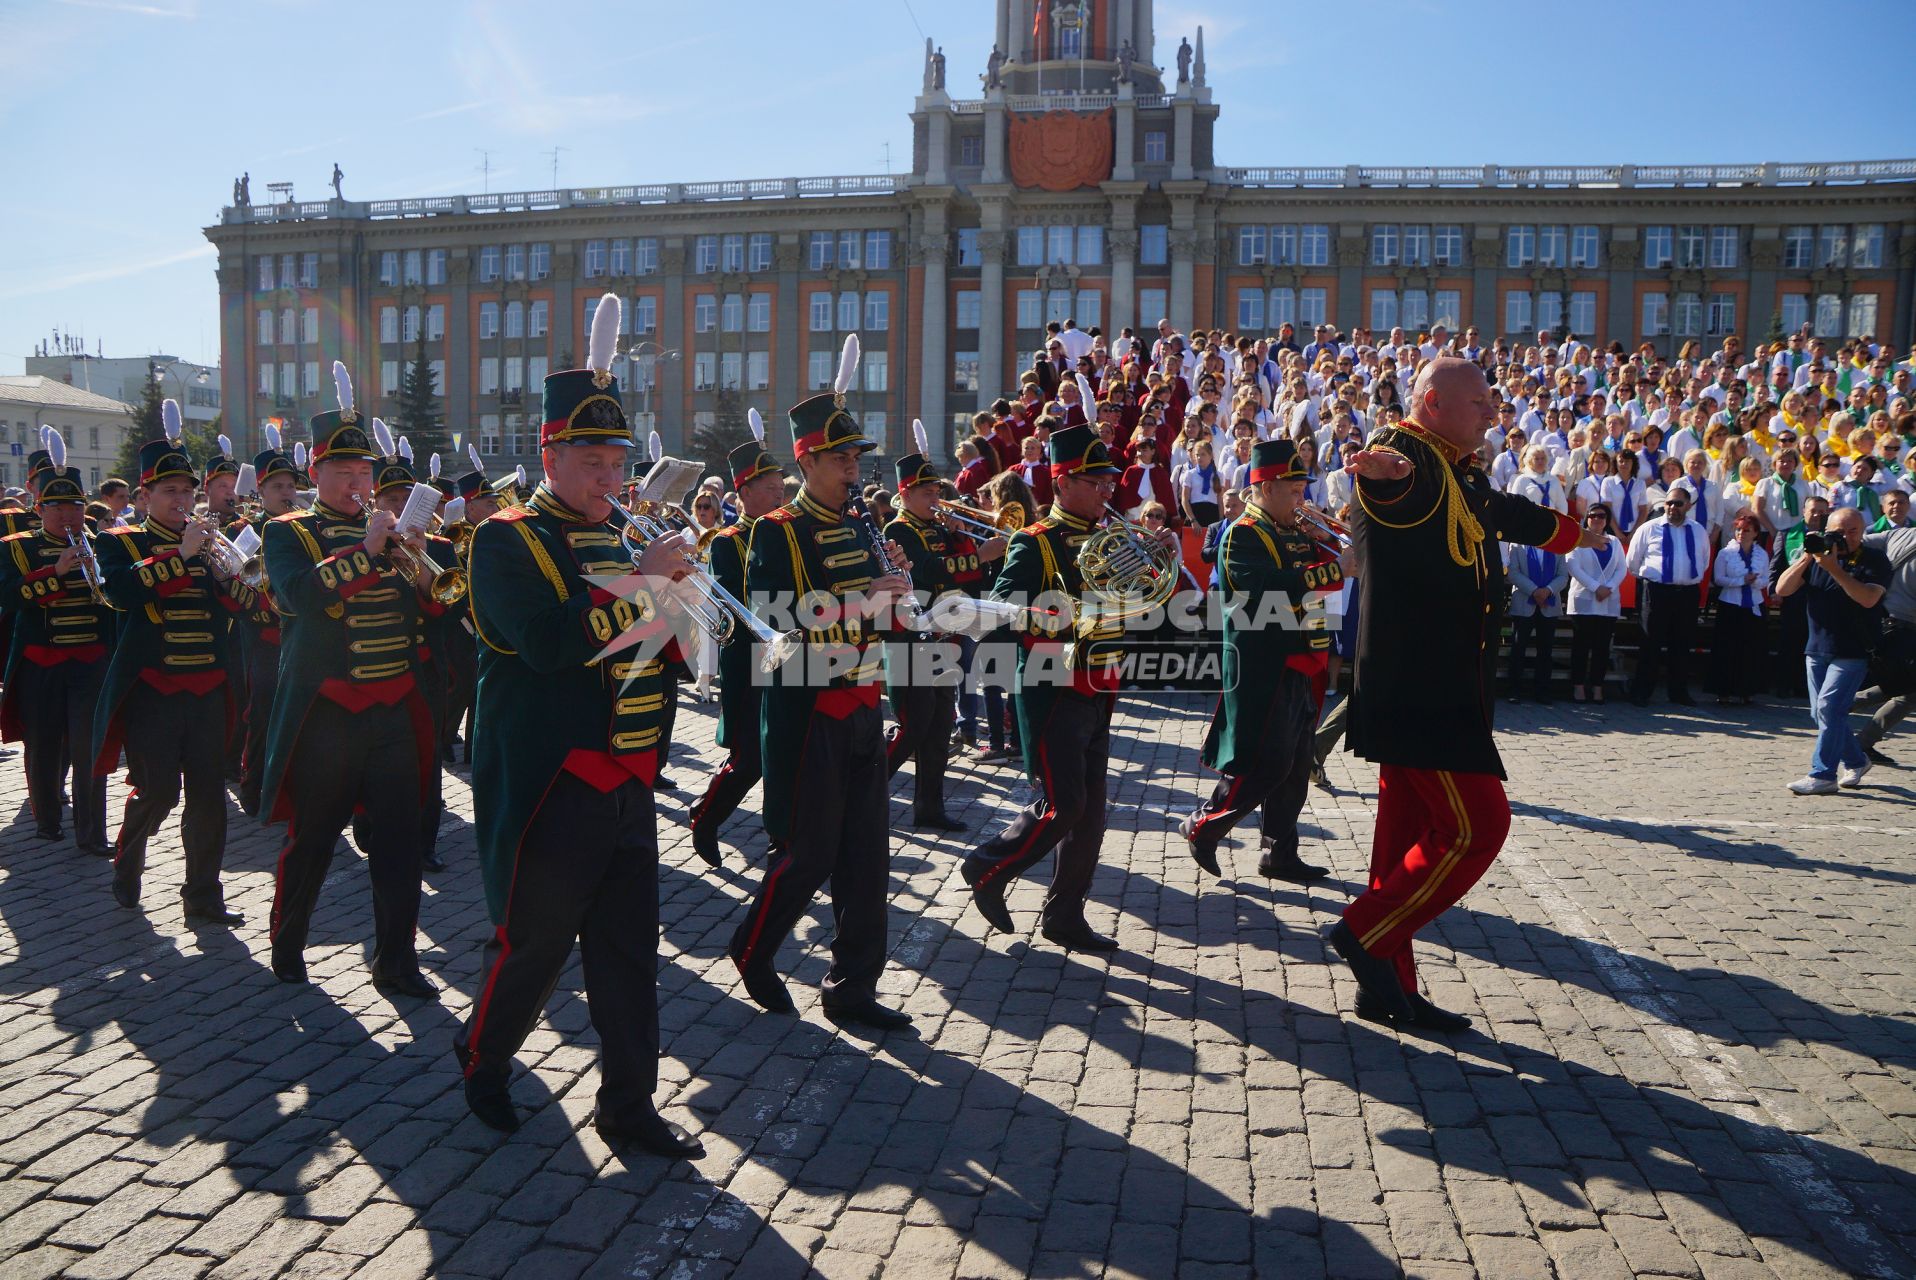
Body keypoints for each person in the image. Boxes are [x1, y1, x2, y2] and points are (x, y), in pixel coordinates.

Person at [454, 303, 702, 1156]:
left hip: (630, 774)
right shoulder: (506, 541)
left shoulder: (629, 537)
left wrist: (684, 603)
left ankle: (629, 1106)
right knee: (535, 947)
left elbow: (668, 655)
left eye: (616, 461)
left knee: (630, 957)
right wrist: (641, 582)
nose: (608, 477)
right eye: (590, 461)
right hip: (553, 778)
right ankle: (483, 1060)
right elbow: (549, 645)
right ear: (550, 458)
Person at [1334, 357, 1588, 1032]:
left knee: (1404, 840)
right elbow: (1388, 497)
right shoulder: (1400, 459)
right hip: (1423, 689)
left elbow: (1493, 511)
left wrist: (1569, 531)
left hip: (1435, 685)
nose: (1490, 411)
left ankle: (1386, 985)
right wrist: (1378, 485)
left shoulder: (1448, 462)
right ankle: (1363, 934)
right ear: (1432, 402)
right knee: (1478, 826)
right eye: (1477, 401)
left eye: (1491, 402)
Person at [729, 341, 916, 1031]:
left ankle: (852, 987)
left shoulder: (863, 525)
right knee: (808, 853)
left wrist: (896, 590)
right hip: (811, 711)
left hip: (865, 703)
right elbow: (771, 622)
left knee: (868, 858)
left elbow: (887, 620)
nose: (853, 466)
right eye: (840, 457)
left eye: (857, 456)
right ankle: (752, 948)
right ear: (805, 461)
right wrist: (859, 601)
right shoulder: (778, 532)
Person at [258, 375, 441, 994]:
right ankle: (288, 943)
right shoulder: (288, 532)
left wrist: (418, 563)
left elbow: (438, 611)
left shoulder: (394, 537)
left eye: (362, 471)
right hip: (329, 715)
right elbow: (300, 597)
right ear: (315, 470)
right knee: (312, 838)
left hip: (392, 711)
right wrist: (366, 552)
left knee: (399, 844)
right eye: (341, 471)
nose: (355, 483)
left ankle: (396, 960)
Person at [961, 423, 1130, 952]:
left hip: (1101, 683)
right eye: (1096, 480)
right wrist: (1046, 614)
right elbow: (1005, 601)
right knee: (1065, 804)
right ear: (1063, 481)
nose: (1107, 489)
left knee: (1092, 814)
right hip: (1053, 686)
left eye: (1109, 480)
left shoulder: (1114, 538)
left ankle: (1064, 916)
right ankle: (988, 866)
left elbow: (1134, 605)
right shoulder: (1034, 541)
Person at [91, 408, 252, 924]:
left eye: (187, 492)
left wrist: (236, 582)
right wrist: (182, 557)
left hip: (207, 688)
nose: (182, 501)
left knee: (209, 800)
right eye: (169, 492)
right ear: (145, 497)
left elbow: (238, 607)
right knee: (159, 792)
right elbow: (120, 592)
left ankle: (203, 896)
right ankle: (127, 861)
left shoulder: (210, 545)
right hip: (154, 691)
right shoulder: (119, 542)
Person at [1179, 439, 1340, 882]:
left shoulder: (1290, 530)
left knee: (1296, 763)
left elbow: (1319, 578)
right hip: (1267, 663)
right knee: (1267, 761)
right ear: (1266, 487)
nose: (1301, 499)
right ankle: (1204, 824)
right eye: (1293, 490)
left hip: (1303, 656)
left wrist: (1326, 544)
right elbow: (1266, 585)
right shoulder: (1244, 532)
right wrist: (1335, 568)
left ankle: (1279, 851)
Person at [883, 438, 1006, 831]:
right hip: (912, 639)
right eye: (927, 493)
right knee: (913, 725)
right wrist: (977, 554)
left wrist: (962, 536)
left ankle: (929, 807)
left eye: (938, 491)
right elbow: (927, 571)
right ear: (905, 493)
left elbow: (974, 576)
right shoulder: (897, 528)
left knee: (938, 727)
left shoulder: (939, 528)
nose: (936, 499)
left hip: (944, 637)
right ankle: (865, 794)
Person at [0, 442, 112, 855]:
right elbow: (9, 597)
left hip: (90, 663)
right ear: (40, 508)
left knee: (89, 748)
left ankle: (92, 832)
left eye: (75, 505)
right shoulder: (16, 546)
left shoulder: (101, 544)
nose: (68, 514)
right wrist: (56, 573)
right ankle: (47, 819)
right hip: (40, 663)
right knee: (43, 744)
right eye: (57, 506)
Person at [688, 416, 786, 868]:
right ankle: (704, 818)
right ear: (745, 494)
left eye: (781, 485)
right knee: (749, 761)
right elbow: (735, 603)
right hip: (750, 663)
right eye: (770, 487)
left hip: (792, 660)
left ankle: (780, 837)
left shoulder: (791, 531)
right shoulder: (729, 541)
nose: (781, 493)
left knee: (784, 758)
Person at [1773, 507, 1890, 793]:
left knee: (1828, 708)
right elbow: (1782, 589)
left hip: (1853, 650)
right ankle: (1856, 759)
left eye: (1852, 531)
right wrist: (1806, 557)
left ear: (1862, 532)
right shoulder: (1816, 558)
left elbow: (1868, 599)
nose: (1845, 537)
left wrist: (1835, 569)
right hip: (1817, 647)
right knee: (1823, 714)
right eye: (1839, 532)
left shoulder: (1874, 559)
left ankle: (1823, 774)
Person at [232, 428, 301, 816]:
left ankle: (295, 784)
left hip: (301, 635)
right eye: (278, 486)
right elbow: (232, 590)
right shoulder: (242, 531)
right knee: (262, 715)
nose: (287, 492)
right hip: (262, 636)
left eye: (291, 484)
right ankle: (255, 785)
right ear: (261, 490)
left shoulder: (308, 528)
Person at [1624, 485, 1709, 706]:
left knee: (1682, 644)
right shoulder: (1649, 528)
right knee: (1650, 643)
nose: (1672, 507)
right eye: (1668, 503)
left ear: (1688, 506)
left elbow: (1704, 559)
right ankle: (1642, 692)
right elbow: (1633, 562)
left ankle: (1679, 692)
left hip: (1687, 593)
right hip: (1656, 592)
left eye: (1678, 503)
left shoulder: (1698, 530)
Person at [1854, 521, 1916, 761]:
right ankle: (1837, 708)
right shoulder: (1899, 535)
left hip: (1883, 620)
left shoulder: (1899, 534)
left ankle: (1863, 741)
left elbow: (1857, 543)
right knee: (1901, 686)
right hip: (1903, 629)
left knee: (1908, 692)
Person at [1565, 503, 1626, 703]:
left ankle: (1598, 687)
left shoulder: (1615, 542)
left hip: (1608, 601)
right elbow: (1573, 566)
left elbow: (1621, 569)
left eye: (1601, 516)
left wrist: (1608, 587)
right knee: (1581, 647)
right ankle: (1578, 687)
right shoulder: (1578, 539)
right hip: (1584, 601)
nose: (1597, 519)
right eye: (1593, 515)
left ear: (1607, 520)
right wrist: (1595, 587)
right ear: (1587, 518)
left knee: (1602, 648)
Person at [1710, 514, 1771, 705]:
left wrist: (1754, 582)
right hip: (1730, 604)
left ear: (1755, 533)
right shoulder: (1726, 553)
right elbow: (1718, 579)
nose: (1741, 534)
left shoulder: (1761, 554)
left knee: (1751, 649)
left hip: (1753, 604)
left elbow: (1766, 579)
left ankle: (1747, 691)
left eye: (1746, 530)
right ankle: (1724, 691)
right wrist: (1741, 581)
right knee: (1727, 649)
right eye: (1738, 529)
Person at [1504, 536, 1569, 703]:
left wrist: (1547, 591)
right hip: (1525, 603)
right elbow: (1512, 572)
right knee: (1518, 648)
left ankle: (1542, 691)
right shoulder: (1517, 545)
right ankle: (1514, 690)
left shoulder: (1557, 545)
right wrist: (1534, 591)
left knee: (1545, 650)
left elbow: (1563, 575)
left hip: (1549, 604)